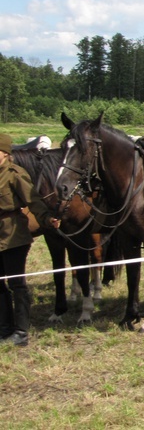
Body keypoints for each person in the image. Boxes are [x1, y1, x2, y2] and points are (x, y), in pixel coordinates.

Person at [0, 134, 61, 346]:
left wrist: (46, 218)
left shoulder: (15, 174)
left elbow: (33, 200)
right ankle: (4, 328)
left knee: (17, 284)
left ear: (5, 154)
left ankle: (21, 332)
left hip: (14, 235)